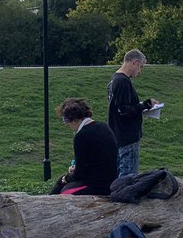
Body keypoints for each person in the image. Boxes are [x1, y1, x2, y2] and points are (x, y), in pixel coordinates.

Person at [49, 97, 119, 196]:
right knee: (63, 182)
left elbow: (80, 173)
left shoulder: (81, 136)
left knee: (63, 187)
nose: (68, 125)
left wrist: (67, 177)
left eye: (66, 120)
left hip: (98, 185)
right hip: (111, 180)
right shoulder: (103, 126)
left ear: (73, 119)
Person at [106, 49, 155, 178]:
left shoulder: (114, 80)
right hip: (127, 136)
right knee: (128, 176)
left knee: (119, 173)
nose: (140, 71)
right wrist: (145, 105)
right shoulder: (123, 81)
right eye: (140, 67)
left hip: (117, 134)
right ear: (135, 62)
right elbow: (124, 110)